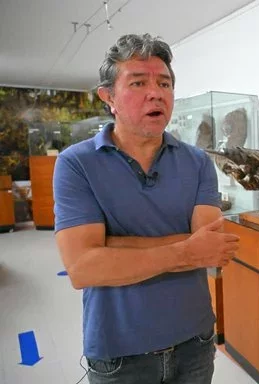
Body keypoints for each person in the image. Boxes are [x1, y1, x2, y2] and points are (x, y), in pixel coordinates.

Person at [53, 33, 239, 384]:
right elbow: (83, 268)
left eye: (164, 83)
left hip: (195, 341)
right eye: (138, 82)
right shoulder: (75, 164)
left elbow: (210, 249)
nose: (156, 93)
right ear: (108, 97)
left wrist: (113, 245)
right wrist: (185, 249)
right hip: (120, 352)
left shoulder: (198, 161)